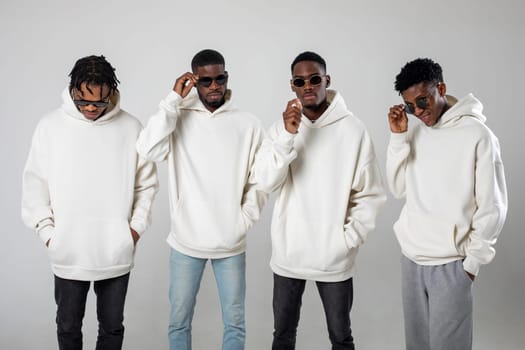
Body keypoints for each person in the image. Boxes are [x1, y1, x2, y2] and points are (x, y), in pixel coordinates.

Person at [21, 55, 159, 350]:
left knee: (111, 328)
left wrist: (132, 232)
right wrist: (49, 235)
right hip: (68, 252)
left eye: (100, 102)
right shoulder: (50, 126)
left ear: (111, 93)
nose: (91, 109)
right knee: (68, 327)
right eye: (83, 101)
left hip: (115, 251)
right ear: (73, 91)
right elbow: (34, 184)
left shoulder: (132, 127)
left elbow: (146, 184)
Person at [253, 51, 386, 349]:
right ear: (292, 86)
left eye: (315, 79)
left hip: (334, 257)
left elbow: (370, 193)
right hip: (289, 254)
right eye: (300, 81)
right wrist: (288, 136)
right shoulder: (279, 129)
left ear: (327, 80)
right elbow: (265, 182)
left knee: (341, 337)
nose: (308, 86)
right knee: (283, 336)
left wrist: (348, 239)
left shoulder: (353, 131)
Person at [136, 49, 267, 350]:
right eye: (205, 80)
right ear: (194, 82)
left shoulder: (248, 124)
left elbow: (259, 181)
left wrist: (243, 220)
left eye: (219, 78)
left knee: (235, 324)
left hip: (231, 242)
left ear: (226, 77)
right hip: (185, 241)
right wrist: (172, 101)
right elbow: (146, 149)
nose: (213, 86)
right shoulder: (177, 118)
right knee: (179, 323)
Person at [386, 58, 508, 350]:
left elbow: (493, 207)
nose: (418, 111)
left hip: (451, 265)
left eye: (423, 101)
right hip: (412, 260)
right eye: (410, 105)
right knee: (416, 345)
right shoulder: (414, 130)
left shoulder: (478, 136)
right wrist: (398, 136)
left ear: (440, 88)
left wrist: (472, 265)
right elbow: (398, 187)